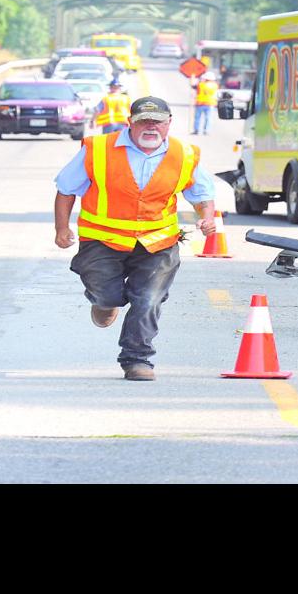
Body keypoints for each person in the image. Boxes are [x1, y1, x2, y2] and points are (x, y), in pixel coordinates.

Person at [53, 96, 219, 381]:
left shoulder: (185, 154)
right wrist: (61, 229)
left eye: (157, 121)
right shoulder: (99, 149)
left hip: (158, 242)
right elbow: (66, 188)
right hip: (102, 241)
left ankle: (137, 360)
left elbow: (202, 195)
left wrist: (206, 216)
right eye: (143, 121)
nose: (150, 127)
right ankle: (105, 302)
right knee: (109, 296)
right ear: (130, 122)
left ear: (169, 124)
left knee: (148, 299)